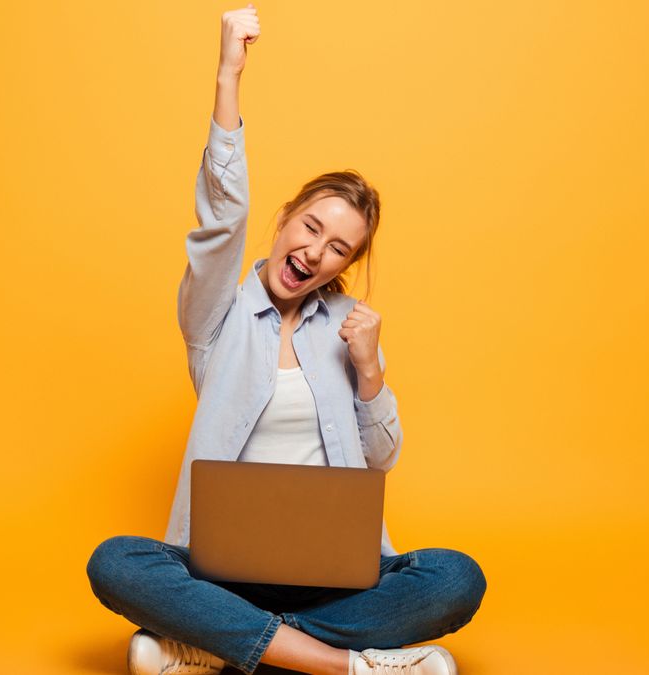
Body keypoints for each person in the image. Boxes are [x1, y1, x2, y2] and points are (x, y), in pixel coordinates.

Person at [86, 5, 486, 674]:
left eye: (338, 248)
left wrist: (369, 373)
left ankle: (210, 643)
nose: (315, 252)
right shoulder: (218, 315)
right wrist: (228, 76)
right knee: (116, 562)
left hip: (333, 578)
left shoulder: (352, 327)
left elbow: (382, 459)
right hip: (219, 573)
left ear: (345, 265)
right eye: (308, 227)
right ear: (284, 219)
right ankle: (348, 664)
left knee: (457, 576)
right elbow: (220, 221)